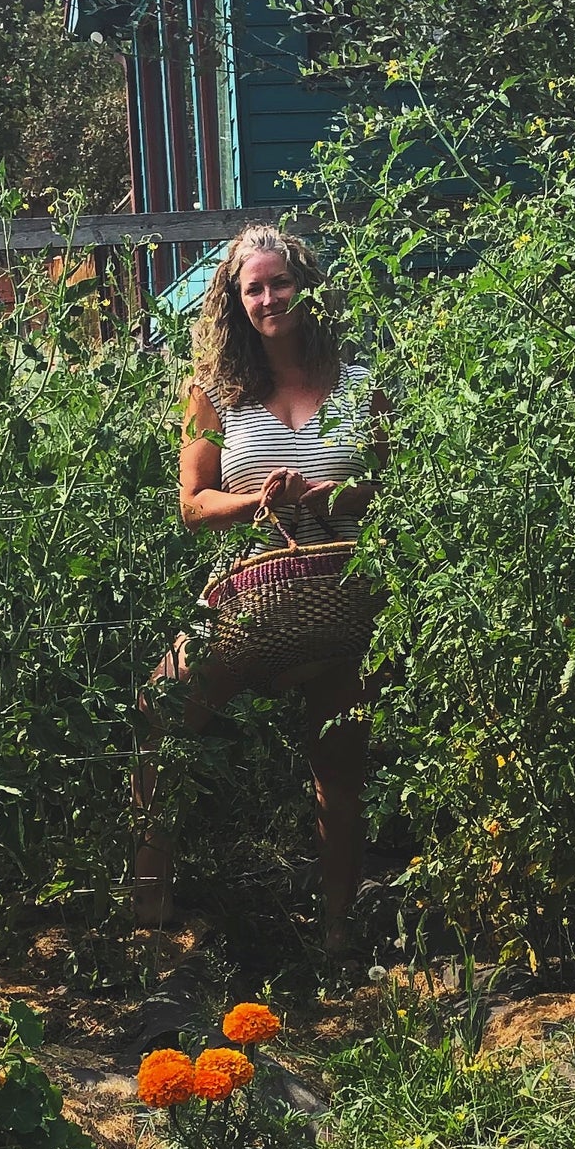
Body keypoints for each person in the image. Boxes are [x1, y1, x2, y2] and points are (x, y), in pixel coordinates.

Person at [132, 224, 386, 956]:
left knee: (339, 768)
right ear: (234, 302)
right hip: (247, 592)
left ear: (306, 286)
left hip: (343, 591)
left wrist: (332, 495)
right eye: (254, 288)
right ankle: (151, 925)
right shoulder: (211, 393)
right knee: (161, 709)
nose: (269, 297)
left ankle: (336, 935)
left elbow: (388, 488)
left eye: (280, 282)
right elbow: (191, 506)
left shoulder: (360, 383)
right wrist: (256, 504)